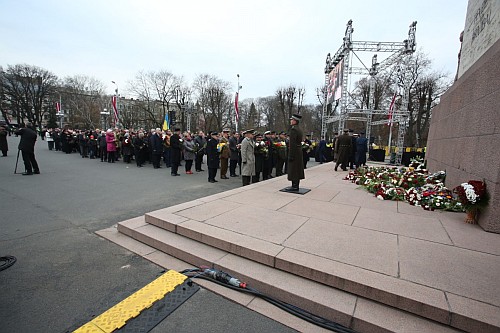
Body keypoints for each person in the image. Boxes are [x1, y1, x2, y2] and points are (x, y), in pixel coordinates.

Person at [284, 115, 304, 191]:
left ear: (295, 121)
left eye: (292, 120)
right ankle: (295, 185)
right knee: (297, 168)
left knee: (293, 169)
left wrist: (291, 155)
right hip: (298, 151)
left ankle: (294, 186)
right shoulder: (299, 129)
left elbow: (292, 143)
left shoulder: (293, 130)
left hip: (294, 151)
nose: (291, 121)